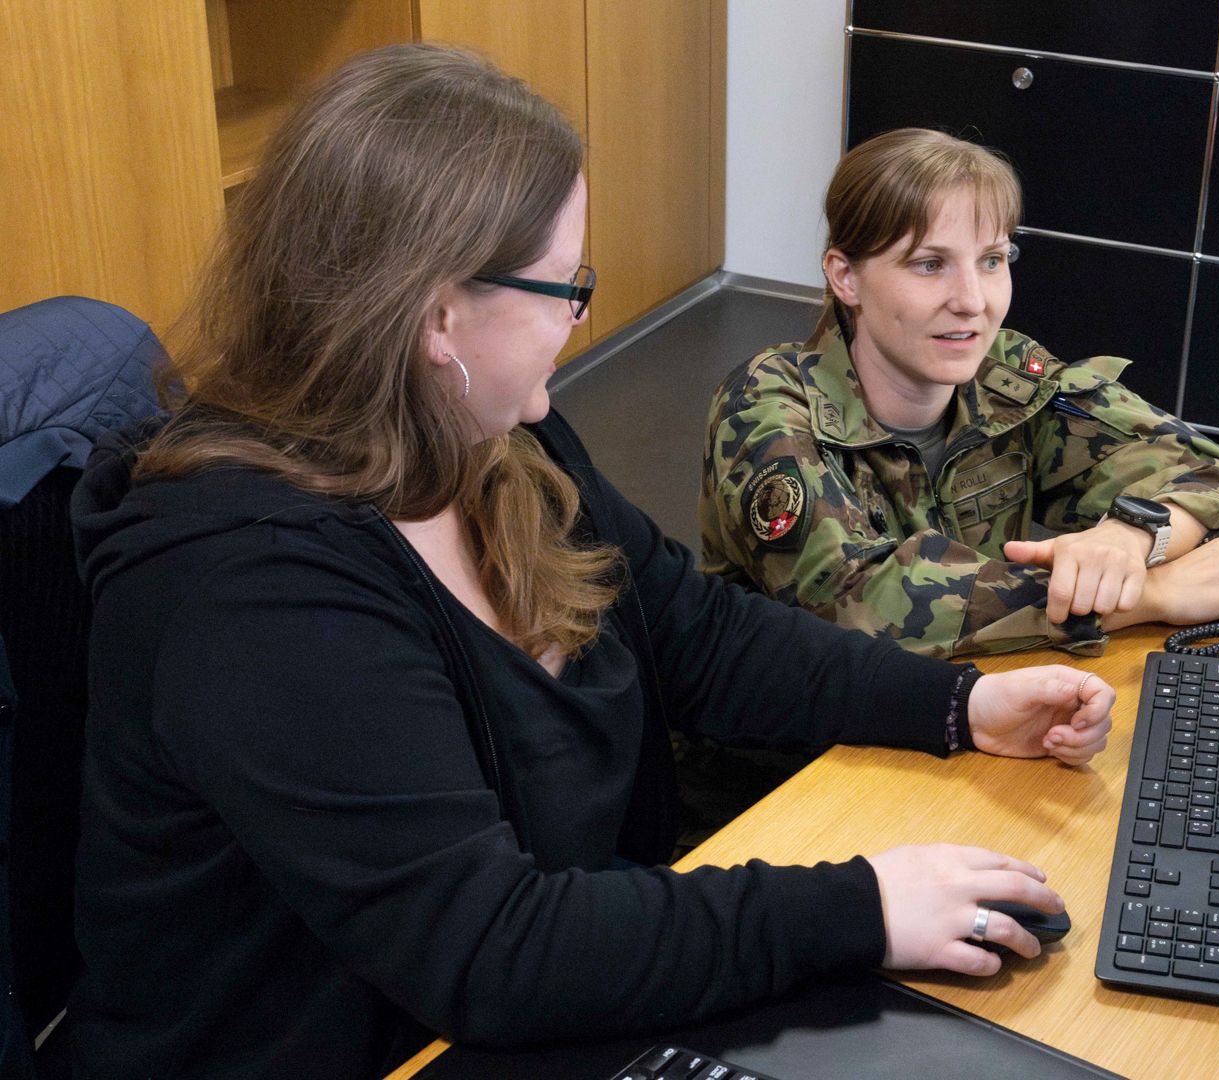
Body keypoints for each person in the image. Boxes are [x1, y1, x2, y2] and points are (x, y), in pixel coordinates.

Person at [67, 46, 1112, 1079]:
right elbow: (494, 948)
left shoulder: (496, 438)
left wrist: (958, 706)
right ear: (436, 314)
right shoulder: (252, 592)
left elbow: (696, 635)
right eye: (566, 285)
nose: (580, 314)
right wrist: (863, 908)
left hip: (542, 993)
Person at [700, 128, 1219, 660]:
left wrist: (1130, 537)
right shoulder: (765, 405)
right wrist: (1148, 595)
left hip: (977, 705)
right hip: (796, 754)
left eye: (992, 260)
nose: (973, 301)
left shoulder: (1004, 374)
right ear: (845, 277)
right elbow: (858, 605)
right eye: (930, 265)